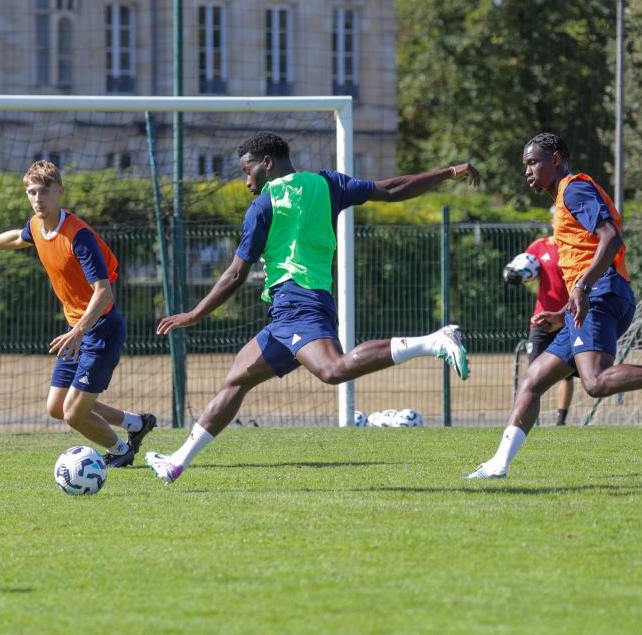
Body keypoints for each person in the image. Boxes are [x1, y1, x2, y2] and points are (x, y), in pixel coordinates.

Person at [145, 132, 480, 485]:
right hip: (294, 307)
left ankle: (434, 341)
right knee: (236, 379)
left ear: (267, 163)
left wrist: (194, 314)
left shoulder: (263, 206)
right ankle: (177, 462)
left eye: (248, 171)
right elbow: (392, 189)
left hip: (296, 303)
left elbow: (235, 275)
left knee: (333, 370)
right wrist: (447, 172)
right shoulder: (328, 184)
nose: (247, 182)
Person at [467, 133, 642, 478]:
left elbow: (611, 237)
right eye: (525, 166)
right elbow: (587, 252)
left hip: (602, 292)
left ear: (555, 158)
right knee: (532, 381)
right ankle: (498, 465)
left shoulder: (574, 189)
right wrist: (564, 311)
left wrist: (581, 287)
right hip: (594, 296)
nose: (528, 171)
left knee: (593, 382)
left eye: (533, 162)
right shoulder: (564, 199)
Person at [0, 161, 156, 467]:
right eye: (32, 192)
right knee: (57, 407)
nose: (37, 198)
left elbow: (104, 292)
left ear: (60, 191)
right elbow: (19, 238)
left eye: (44, 191)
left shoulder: (77, 235)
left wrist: (79, 330)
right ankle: (136, 423)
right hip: (76, 331)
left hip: (100, 330)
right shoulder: (36, 225)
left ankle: (121, 451)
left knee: (74, 413)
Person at [504, 230, 574, 424]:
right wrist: (514, 273)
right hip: (542, 318)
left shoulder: (574, 246)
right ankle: (524, 419)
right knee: (533, 371)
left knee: (566, 373)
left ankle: (560, 421)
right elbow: (524, 265)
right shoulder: (539, 246)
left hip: (568, 316)